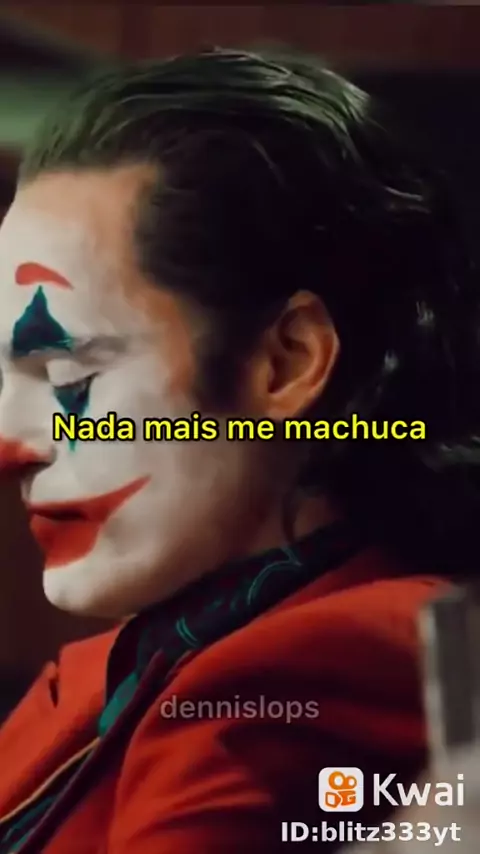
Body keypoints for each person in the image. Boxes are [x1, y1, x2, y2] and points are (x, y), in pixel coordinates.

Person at [0, 47, 477, 853]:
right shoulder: (148, 656)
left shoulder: (301, 671)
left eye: (67, 374)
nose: (12, 444)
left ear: (288, 361)